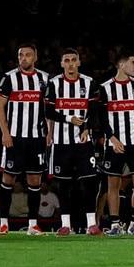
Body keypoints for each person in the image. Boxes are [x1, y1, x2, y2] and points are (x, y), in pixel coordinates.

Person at [43, 47, 101, 238]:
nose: (70, 63)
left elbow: (94, 111)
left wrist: (86, 128)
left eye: (73, 60)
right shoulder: (53, 84)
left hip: (83, 143)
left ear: (79, 62)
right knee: (64, 185)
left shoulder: (89, 82)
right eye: (66, 60)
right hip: (61, 142)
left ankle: (91, 224)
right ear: (61, 64)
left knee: (89, 183)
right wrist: (69, 119)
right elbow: (48, 112)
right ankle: (65, 225)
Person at [0, 44, 52, 235]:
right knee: (8, 178)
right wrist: (5, 133)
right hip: (15, 137)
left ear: (35, 57)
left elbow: (49, 110)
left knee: (35, 179)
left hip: (36, 137)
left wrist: (49, 132)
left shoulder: (45, 79)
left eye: (28, 55)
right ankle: (3, 222)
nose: (24, 58)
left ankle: (33, 225)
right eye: (21, 55)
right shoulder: (9, 78)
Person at [97, 54, 134, 236]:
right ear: (121, 64)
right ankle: (115, 224)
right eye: (132, 62)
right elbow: (102, 117)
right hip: (115, 144)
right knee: (113, 184)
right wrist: (111, 137)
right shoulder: (105, 88)